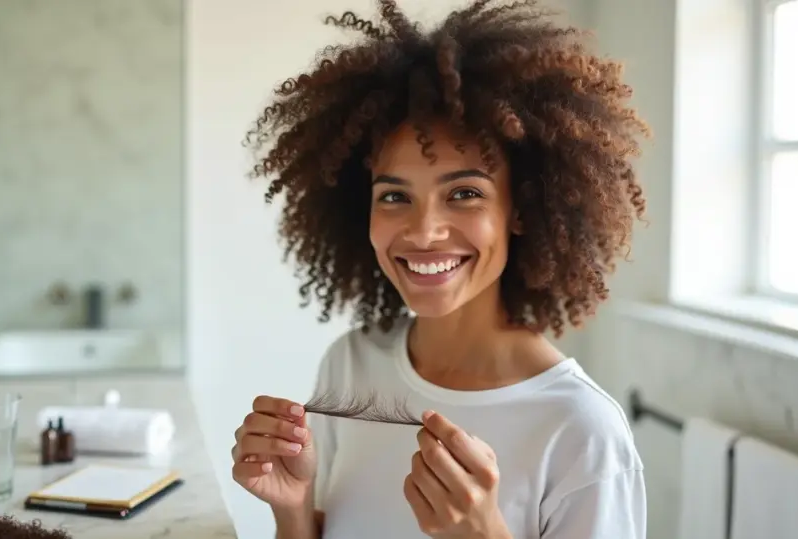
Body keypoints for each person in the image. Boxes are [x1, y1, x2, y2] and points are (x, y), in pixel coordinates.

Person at [231, 1, 650, 538]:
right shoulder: (351, 366)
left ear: (520, 209)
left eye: (464, 193)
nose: (424, 231)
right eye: (394, 196)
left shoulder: (582, 431)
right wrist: (291, 509)